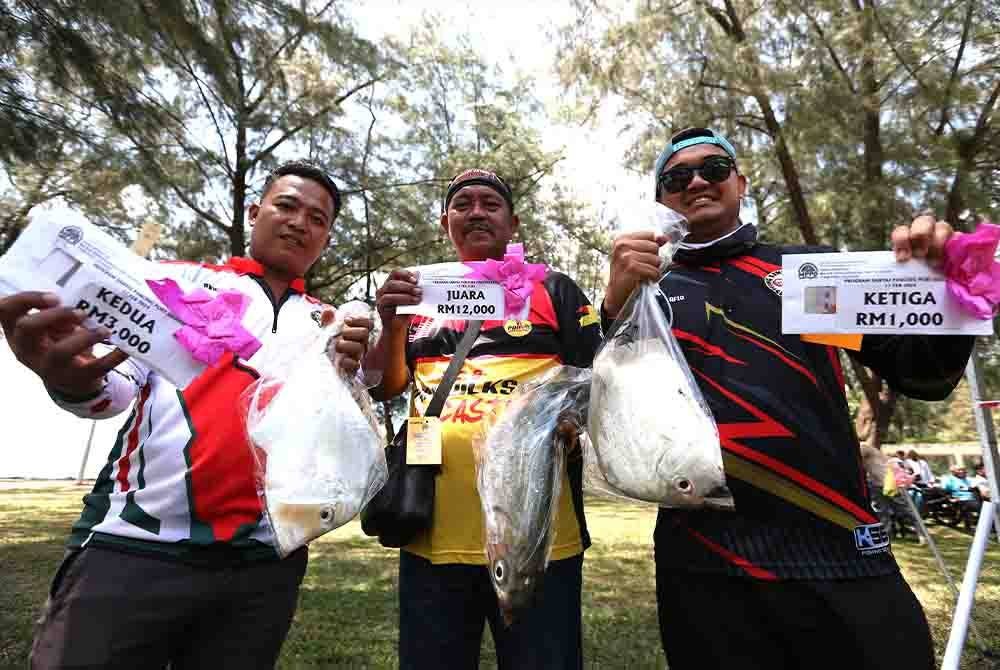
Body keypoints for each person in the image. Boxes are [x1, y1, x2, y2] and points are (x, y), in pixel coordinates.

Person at [603, 127, 975, 670]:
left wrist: (945, 287)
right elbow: (608, 419)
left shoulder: (806, 272)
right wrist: (614, 308)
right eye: (678, 176)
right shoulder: (646, 294)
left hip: (838, 549)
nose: (698, 181)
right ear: (661, 199)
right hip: (706, 566)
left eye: (714, 168)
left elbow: (924, 375)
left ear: (740, 182)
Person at [1, 161, 373, 669]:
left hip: (262, 567)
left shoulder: (329, 323)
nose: (298, 223)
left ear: (326, 237)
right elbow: (113, 389)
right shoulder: (173, 281)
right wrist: (70, 377)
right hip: (134, 548)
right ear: (254, 211)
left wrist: (353, 370)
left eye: (317, 218)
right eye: (286, 205)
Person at [368, 168, 602, 669]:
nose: (477, 211)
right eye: (463, 204)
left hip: (541, 540)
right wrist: (391, 324)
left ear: (513, 221)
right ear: (445, 221)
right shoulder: (419, 296)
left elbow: (596, 383)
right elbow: (387, 386)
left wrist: (570, 422)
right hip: (430, 534)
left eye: (490, 203)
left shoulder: (556, 290)